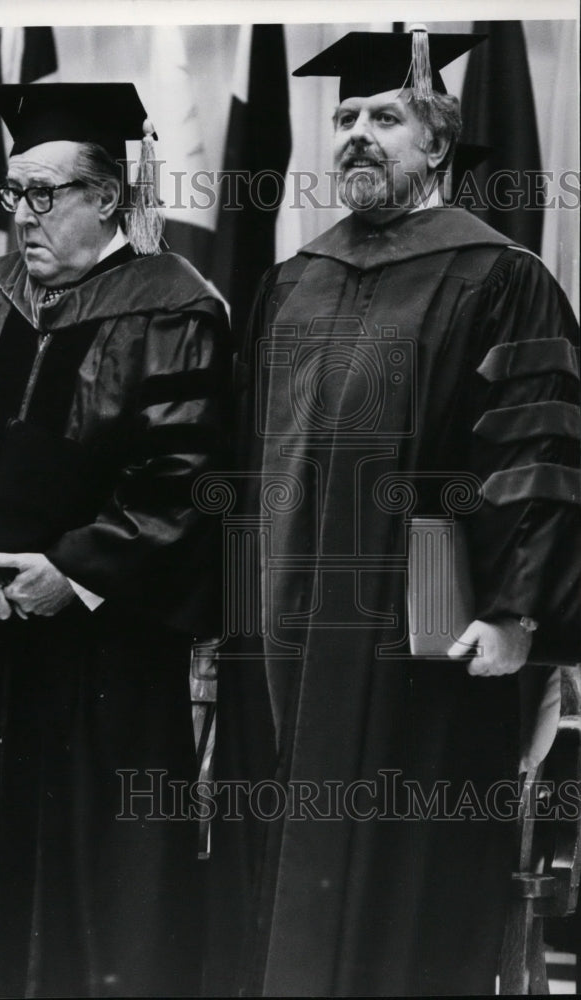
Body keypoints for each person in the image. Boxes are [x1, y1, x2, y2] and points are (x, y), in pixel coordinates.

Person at [208, 27, 580, 997]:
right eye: (342, 118)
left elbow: (533, 453)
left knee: (409, 900)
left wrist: (514, 612)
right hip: (284, 642)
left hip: (422, 649)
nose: (356, 136)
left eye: (384, 117)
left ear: (436, 145)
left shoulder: (499, 279)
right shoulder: (292, 282)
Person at [0, 81, 230, 998]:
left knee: (107, 889)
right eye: (14, 195)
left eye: (46, 193)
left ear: (110, 199)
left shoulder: (176, 304)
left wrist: (77, 573)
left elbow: (188, 479)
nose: (22, 216)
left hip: (109, 653)